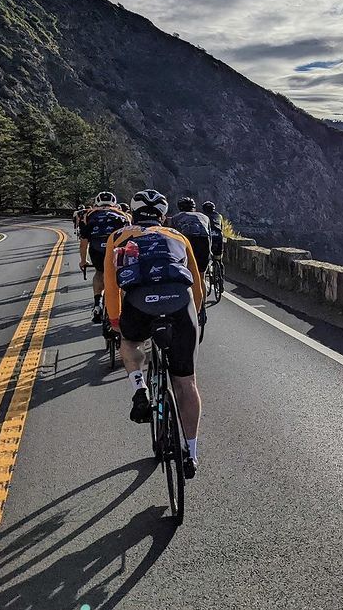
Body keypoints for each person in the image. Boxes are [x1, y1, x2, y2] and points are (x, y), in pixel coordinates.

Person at [104, 189, 203, 477]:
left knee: (131, 342)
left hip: (138, 302)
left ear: (133, 212)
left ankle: (140, 388)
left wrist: (114, 319)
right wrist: (195, 316)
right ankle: (192, 453)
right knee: (186, 384)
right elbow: (198, 286)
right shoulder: (177, 236)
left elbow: (112, 286)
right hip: (180, 304)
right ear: (162, 215)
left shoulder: (118, 236)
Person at [78, 192, 129, 323]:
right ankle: (124, 307)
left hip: (97, 249)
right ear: (114, 203)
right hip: (117, 249)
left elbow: (84, 242)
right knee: (121, 275)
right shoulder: (123, 215)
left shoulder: (88, 215)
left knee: (99, 272)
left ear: (97, 202)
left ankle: (97, 303)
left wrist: (83, 261)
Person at [166, 197, 211, 286]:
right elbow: (210, 236)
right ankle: (203, 300)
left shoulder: (176, 217)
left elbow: (172, 237)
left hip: (188, 241)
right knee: (201, 277)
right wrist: (210, 252)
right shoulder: (204, 217)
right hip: (204, 242)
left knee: (186, 273)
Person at [202, 201, 224, 275]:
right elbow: (221, 228)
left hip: (208, 238)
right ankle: (221, 277)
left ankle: (206, 271)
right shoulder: (219, 216)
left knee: (205, 256)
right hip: (218, 237)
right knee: (219, 259)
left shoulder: (203, 217)